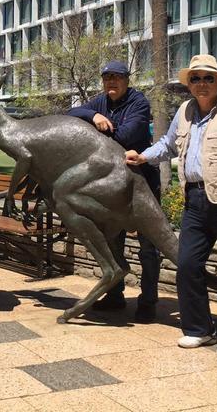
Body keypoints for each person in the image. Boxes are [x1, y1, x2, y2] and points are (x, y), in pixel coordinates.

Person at [126, 55, 217, 360]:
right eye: (195, 78)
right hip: (195, 200)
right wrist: (143, 156)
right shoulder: (184, 111)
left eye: (208, 78)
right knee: (188, 265)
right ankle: (199, 329)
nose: (201, 84)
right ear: (189, 84)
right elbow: (168, 145)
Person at [67, 60, 162, 322]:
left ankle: (148, 301)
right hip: (112, 185)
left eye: (116, 77)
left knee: (148, 247)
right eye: (107, 77)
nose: (111, 81)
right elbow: (70, 113)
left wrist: (91, 136)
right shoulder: (100, 102)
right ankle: (115, 295)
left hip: (142, 183)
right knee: (113, 240)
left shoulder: (139, 102)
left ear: (126, 80)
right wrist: (93, 116)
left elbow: (124, 137)